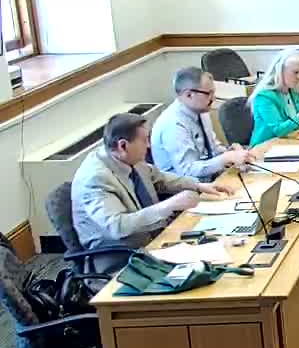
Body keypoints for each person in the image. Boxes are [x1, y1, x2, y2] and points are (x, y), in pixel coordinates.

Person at [71, 113, 233, 268]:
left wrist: (198, 185)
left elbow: (160, 178)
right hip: (122, 258)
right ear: (123, 145)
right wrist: (168, 205)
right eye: (144, 140)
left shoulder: (126, 158)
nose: (149, 146)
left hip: (154, 241)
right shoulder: (95, 178)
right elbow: (117, 227)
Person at [151, 66, 256, 180]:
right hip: (187, 186)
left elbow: (213, 149)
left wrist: (230, 152)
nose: (213, 98)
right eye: (208, 94)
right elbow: (187, 171)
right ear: (189, 95)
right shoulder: (173, 125)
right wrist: (225, 158)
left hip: (209, 179)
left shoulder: (201, 111)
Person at [249, 48, 299, 147]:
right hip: (264, 148)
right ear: (280, 71)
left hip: (289, 143)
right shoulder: (264, 97)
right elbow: (279, 130)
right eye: (295, 72)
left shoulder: (294, 91)